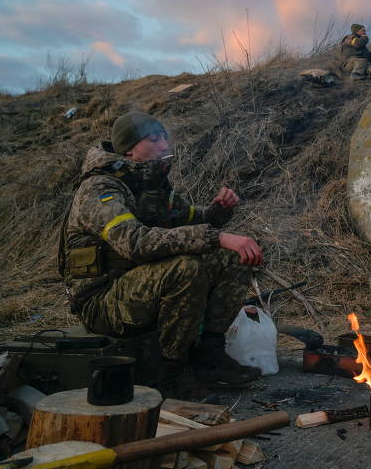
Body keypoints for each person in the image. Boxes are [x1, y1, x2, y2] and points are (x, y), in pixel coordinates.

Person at [58, 111, 263, 390]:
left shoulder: (150, 185)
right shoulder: (100, 189)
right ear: (129, 148)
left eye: (165, 137)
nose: (165, 145)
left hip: (138, 286)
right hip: (102, 300)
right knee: (186, 268)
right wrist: (217, 236)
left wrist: (218, 211)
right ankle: (171, 372)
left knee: (231, 258)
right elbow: (136, 242)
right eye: (153, 139)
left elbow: (193, 220)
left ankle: (209, 355)